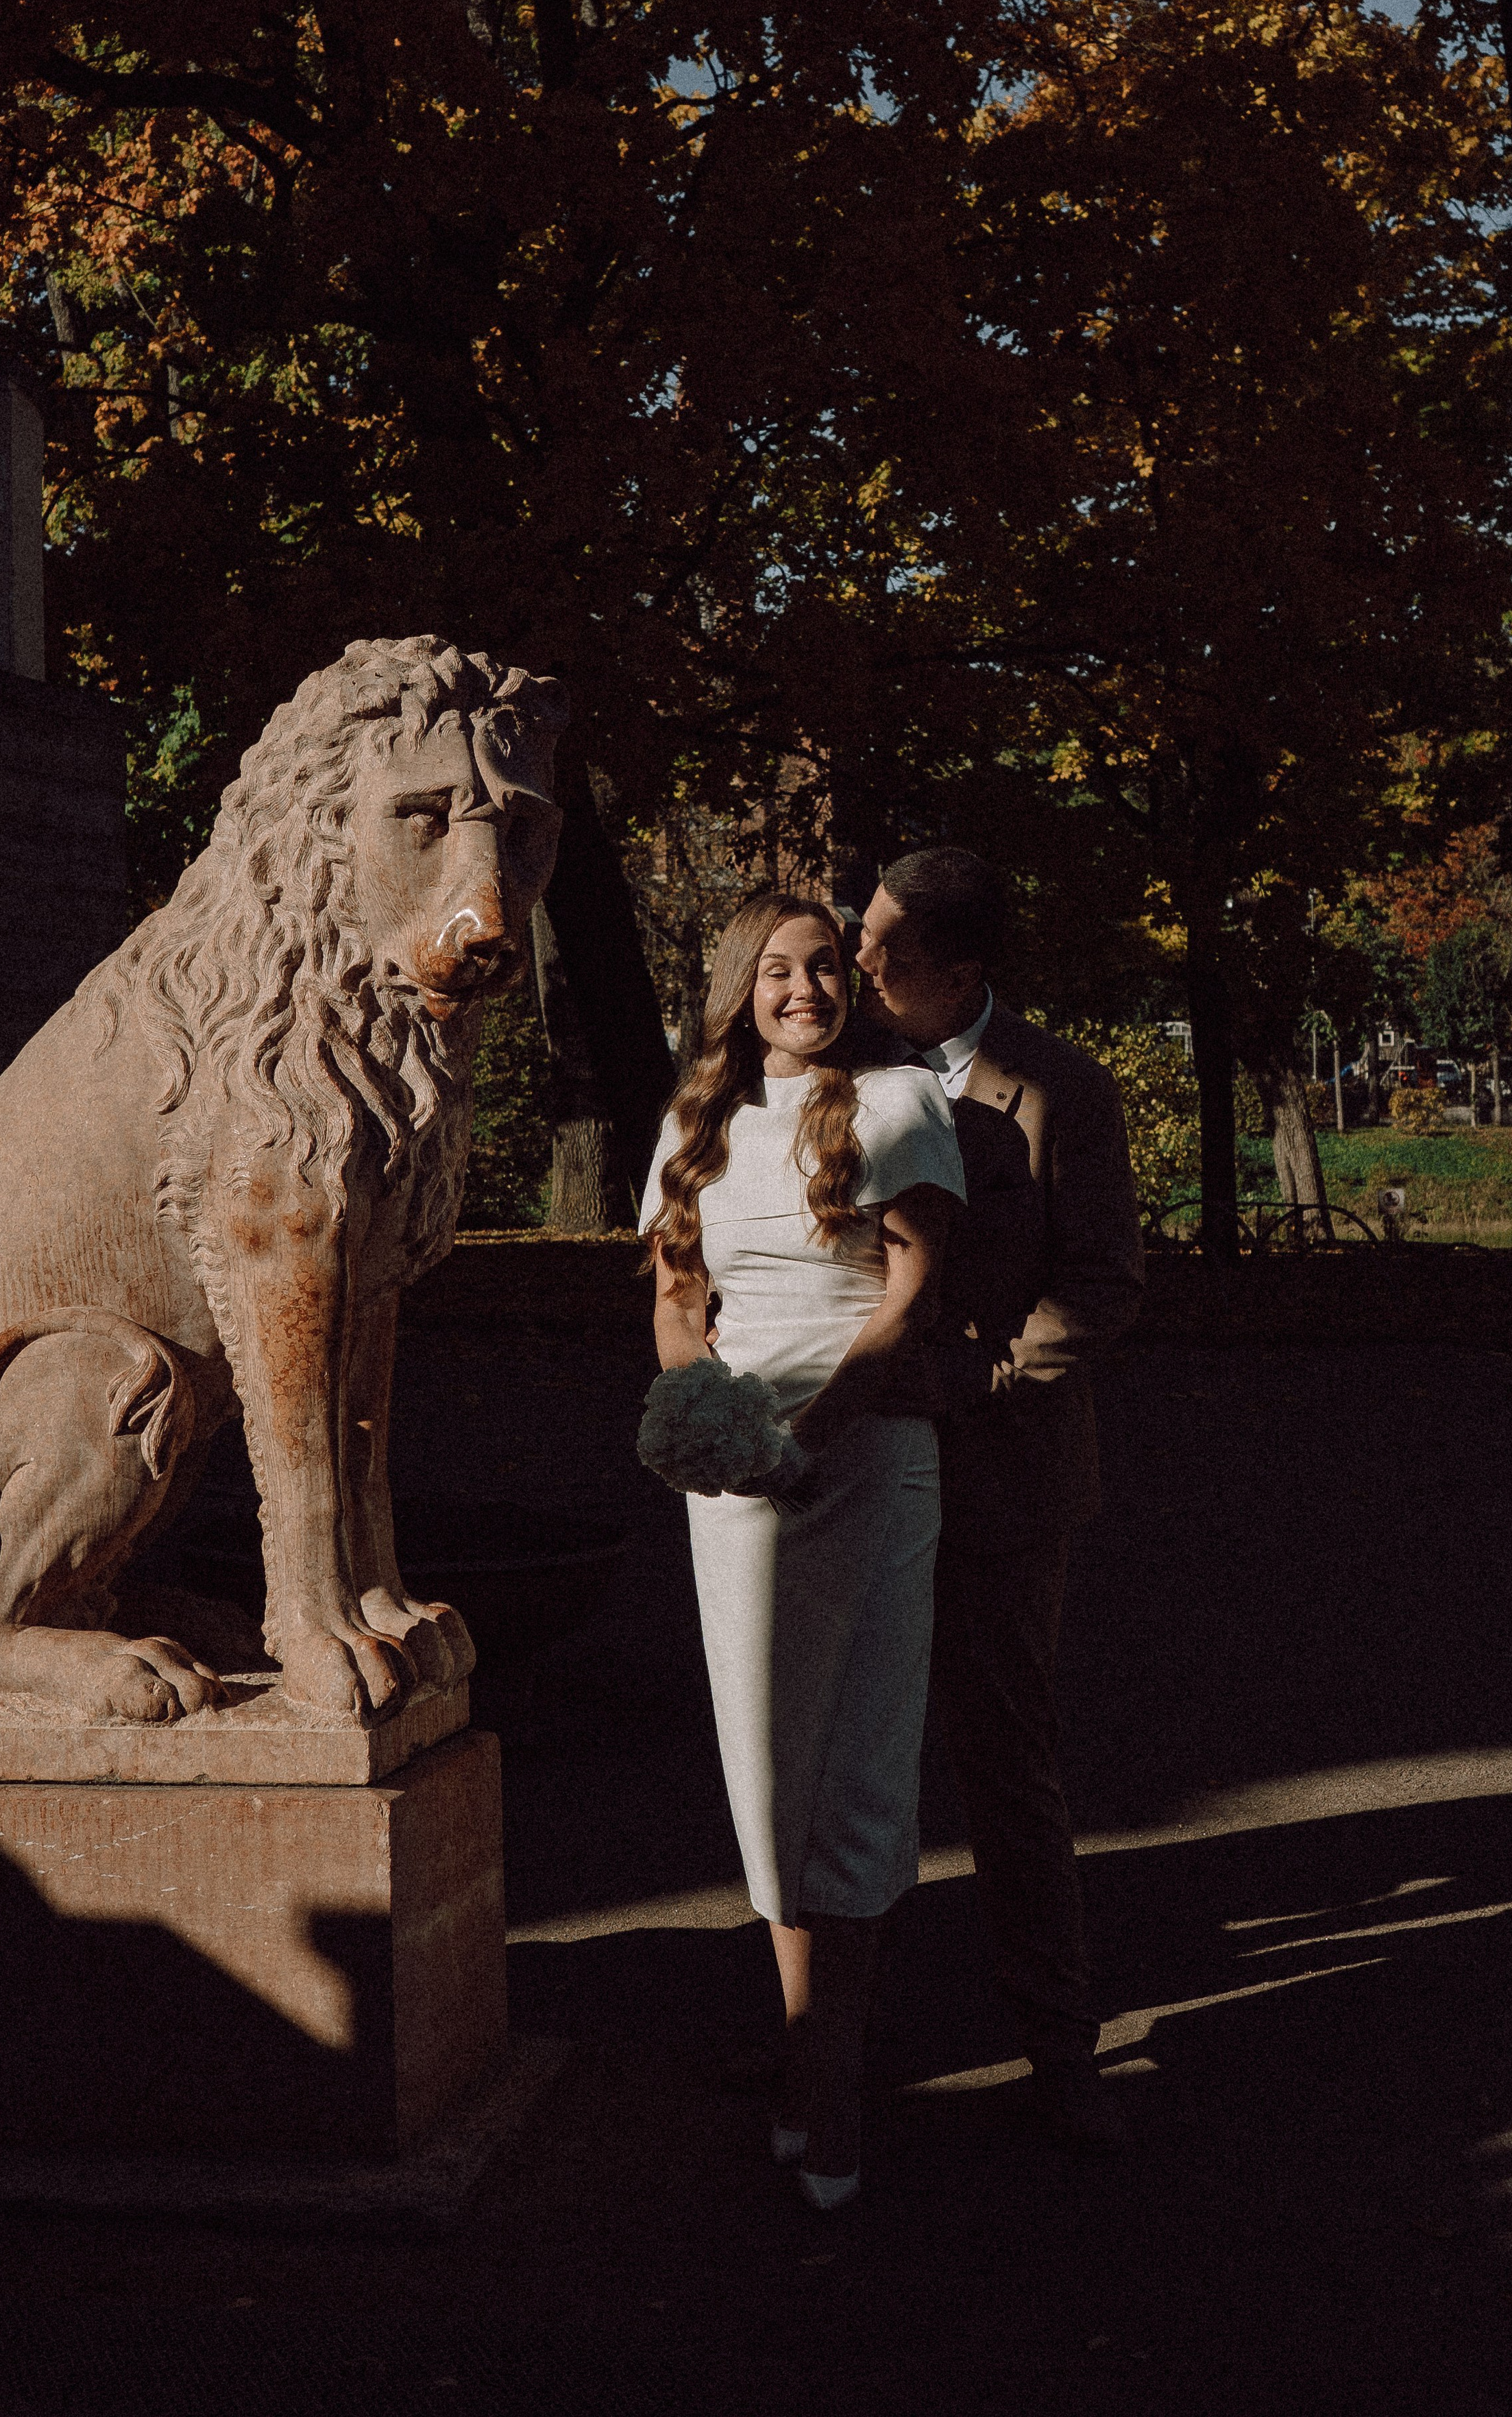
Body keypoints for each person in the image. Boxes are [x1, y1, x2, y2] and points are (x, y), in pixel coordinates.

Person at [639, 890, 966, 2209]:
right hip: (739, 1481)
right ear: (740, 987)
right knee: (766, 1768)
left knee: (861, 1761)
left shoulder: (899, 1104)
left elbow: (915, 1290)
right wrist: (711, 1421)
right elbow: (677, 1302)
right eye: (775, 969)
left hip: (868, 1457)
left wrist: (817, 1427)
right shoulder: (695, 1126)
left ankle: (832, 2079)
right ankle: (801, 2048)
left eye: (825, 966)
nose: (804, 989)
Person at [854, 847, 1145, 2153]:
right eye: (862, 935)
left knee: (1005, 1762)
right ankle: (831, 2035)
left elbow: (1104, 1280)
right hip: (854, 1464)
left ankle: (1059, 2043)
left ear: (963, 969)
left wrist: (981, 1377)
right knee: (846, 1757)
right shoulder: (839, 1068)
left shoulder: (1060, 1086)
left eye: (889, 950)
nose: (860, 964)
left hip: (1002, 1477)